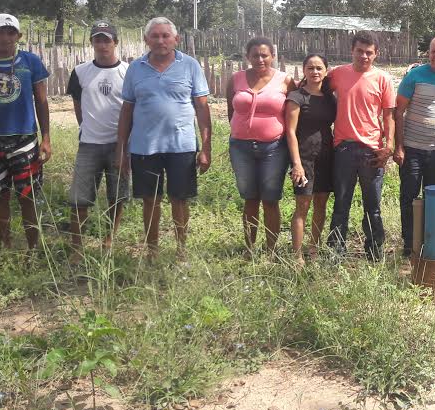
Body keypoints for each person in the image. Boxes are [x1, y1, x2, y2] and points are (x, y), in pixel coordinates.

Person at [117, 17, 212, 259]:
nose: (161, 40)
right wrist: (122, 150)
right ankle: (153, 251)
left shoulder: (190, 65)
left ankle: (181, 250)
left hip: (181, 146)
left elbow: (202, 108)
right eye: (155, 36)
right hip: (144, 146)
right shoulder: (135, 68)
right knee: (151, 199)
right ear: (146, 39)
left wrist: (206, 148)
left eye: (165, 36)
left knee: (179, 199)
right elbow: (126, 111)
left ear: (176, 39)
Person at [0, 14, 51, 251]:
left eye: (10, 32)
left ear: (18, 36)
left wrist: (45, 139)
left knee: (27, 196)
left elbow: (42, 102)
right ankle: (5, 247)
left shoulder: (30, 62)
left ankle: (33, 249)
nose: (5, 37)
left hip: (24, 139)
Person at [327, 31, 396, 260]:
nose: (364, 56)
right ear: (352, 51)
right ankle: (335, 253)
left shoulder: (383, 79)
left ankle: (375, 252)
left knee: (373, 206)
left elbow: (389, 115)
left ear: (376, 54)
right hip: (344, 148)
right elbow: (315, 89)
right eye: (360, 51)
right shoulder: (338, 74)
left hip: (372, 151)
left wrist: (390, 145)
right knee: (341, 204)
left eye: (369, 52)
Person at [226, 37, 294, 258]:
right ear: (248, 57)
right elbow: (231, 111)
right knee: (250, 198)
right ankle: (249, 249)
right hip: (241, 148)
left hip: (273, 148)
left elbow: (294, 113)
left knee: (271, 199)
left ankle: (271, 249)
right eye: (255, 55)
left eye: (264, 55)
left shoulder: (285, 80)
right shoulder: (236, 79)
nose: (260, 59)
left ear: (273, 56)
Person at [66, 21, 129, 258]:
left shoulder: (128, 71)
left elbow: (132, 107)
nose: (102, 44)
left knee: (117, 195)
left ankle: (110, 239)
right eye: (97, 39)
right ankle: (76, 246)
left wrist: (126, 143)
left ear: (115, 42)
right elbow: (78, 104)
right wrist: (86, 127)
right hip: (89, 144)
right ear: (91, 42)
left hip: (118, 143)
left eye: (107, 39)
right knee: (79, 197)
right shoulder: (81, 72)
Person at [394, 35, 435, 257]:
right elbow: (398, 111)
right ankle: (410, 244)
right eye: (433, 51)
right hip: (412, 149)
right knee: (409, 197)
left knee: (433, 199)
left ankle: (430, 244)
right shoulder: (415, 75)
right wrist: (399, 146)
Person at [286, 54, 337, 264]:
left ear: (326, 71)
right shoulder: (296, 97)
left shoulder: (330, 99)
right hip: (304, 158)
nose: (315, 72)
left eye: (319, 68)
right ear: (304, 70)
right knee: (303, 205)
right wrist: (296, 163)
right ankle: (297, 254)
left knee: (321, 205)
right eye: (310, 68)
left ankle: (313, 248)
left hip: (326, 156)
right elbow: (290, 132)